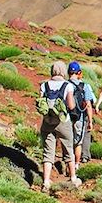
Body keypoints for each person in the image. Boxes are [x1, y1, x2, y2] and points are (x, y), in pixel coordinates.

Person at [36, 61, 81, 191]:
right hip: (63, 121)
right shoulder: (67, 86)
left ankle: (46, 181)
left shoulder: (44, 85)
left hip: (47, 121)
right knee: (68, 149)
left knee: (48, 151)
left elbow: (41, 103)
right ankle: (73, 178)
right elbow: (71, 105)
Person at [66, 62, 96, 169]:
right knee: (78, 143)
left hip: (66, 118)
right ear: (79, 73)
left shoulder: (65, 85)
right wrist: (90, 121)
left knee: (68, 141)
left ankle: (67, 163)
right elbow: (88, 105)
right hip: (80, 117)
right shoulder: (85, 86)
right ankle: (76, 164)